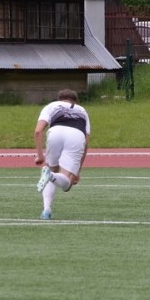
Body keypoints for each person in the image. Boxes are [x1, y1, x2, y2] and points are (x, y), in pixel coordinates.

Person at [34, 89, 91, 220]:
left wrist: (40, 155)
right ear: (75, 101)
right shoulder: (82, 110)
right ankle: (51, 175)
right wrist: (77, 171)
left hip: (55, 132)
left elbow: (38, 131)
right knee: (67, 184)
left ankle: (46, 210)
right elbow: (85, 143)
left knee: (51, 169)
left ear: (59, 99)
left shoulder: (52, 106)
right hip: (76, 135)